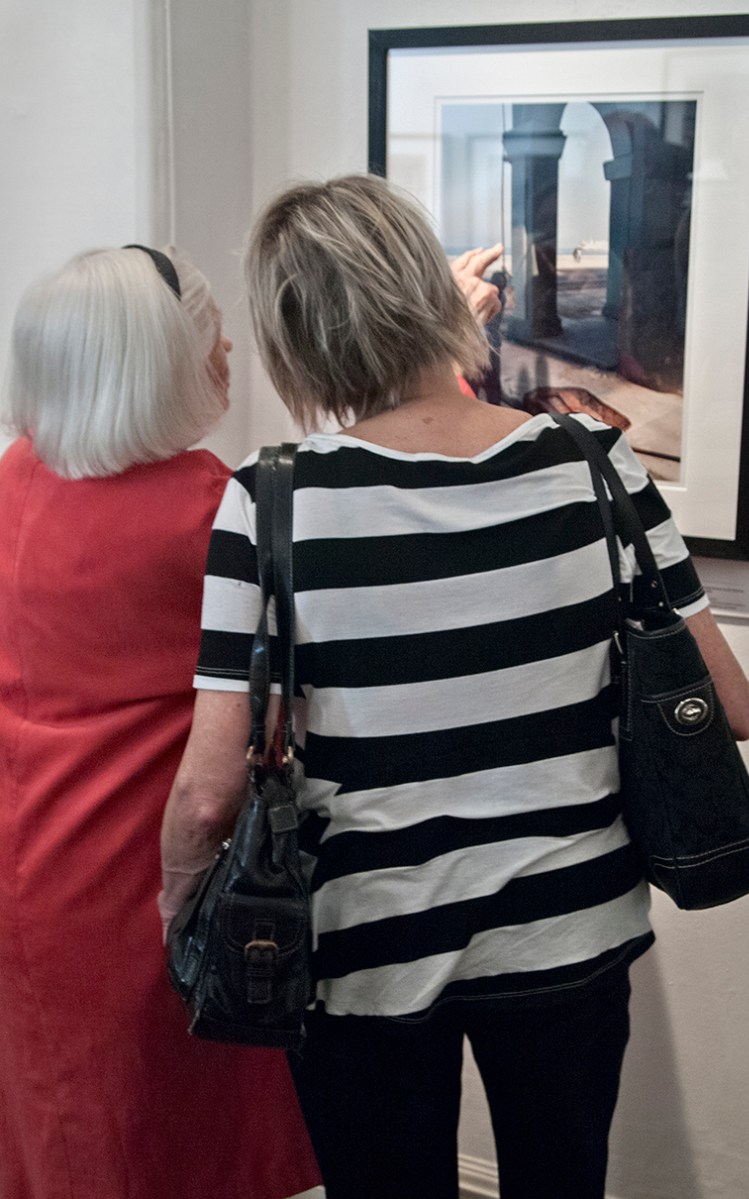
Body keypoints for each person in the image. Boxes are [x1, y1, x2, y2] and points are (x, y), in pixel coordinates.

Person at [160, 176, 749, 1199]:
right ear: (428, 295)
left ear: (294, 333)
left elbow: (211, 792)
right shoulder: (597, 461)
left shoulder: (272, 498)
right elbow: (728, 707)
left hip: (367, 946)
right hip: (575, 928)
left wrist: (177, 904)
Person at [0, 245, 320, 1199]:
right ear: (150, 363)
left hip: (26, 867)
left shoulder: (14, 479)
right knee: (165, 1142)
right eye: (204, 332)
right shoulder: (210, 508)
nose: (227, 344)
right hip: (138, 878)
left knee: (61, 1128)